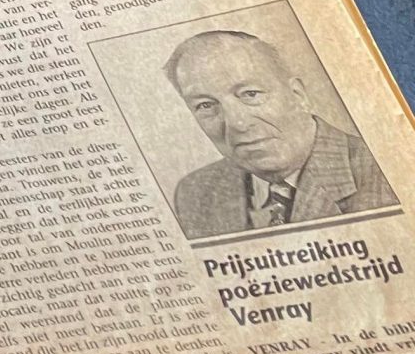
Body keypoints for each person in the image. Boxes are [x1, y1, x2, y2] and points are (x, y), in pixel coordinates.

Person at [165, 28, 395, 238]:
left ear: (298, 96)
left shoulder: (385, 169)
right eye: (205, 105)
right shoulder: (194, 192)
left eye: (251, 94)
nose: (237, 123)